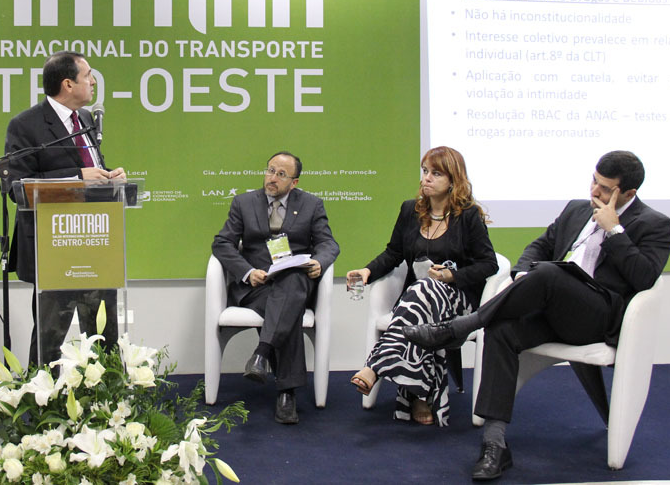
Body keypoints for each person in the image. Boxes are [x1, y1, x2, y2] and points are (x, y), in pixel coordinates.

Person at [403, 150, 670, 480]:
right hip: (551, 310)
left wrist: (615, 231)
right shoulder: (577, 209)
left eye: (605, 188)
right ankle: (494, 445)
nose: (594, 191)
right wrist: (520, 276)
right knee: (502, 329)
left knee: (548, 273)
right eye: (594, 181)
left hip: (597, 319)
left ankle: (462, 326)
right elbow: (539, 246)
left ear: (628, 193)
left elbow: (645, 278)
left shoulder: (655, 224)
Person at [346, 146, 497, 426]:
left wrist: (451, 276)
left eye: (436, 173)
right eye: (425, 171)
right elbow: (393, 253)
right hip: (418, 301)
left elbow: (489, 264)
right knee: (422, 295)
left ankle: (375, 366)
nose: (426, 178)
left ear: (453, 180)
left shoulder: (468, 216)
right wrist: (367, 270)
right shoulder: (410, 210)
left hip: (458, 299)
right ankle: (420, 395)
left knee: (424, 291)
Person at [4, 51, 125, 366]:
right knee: (49, 340)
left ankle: (107, 392)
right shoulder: (26, 125)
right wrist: (77, 177)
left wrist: (108, 177)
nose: (93, 81)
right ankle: (42, 394)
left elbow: (90, 170)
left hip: (96, 243)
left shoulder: (85, 119)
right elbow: (17, 186)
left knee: (104, 335)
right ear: (68, 84)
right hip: (54, 248)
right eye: (88, 76)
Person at [211, 151, 339, 424]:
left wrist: (319, 261)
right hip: (258, 286)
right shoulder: (244, 203)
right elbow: (222, 243)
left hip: (295, 281)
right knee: (286, 308)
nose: (272, 178)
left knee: (291, 282)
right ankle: (286, 394)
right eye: (270, 170)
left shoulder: (311, 204)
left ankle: (262, 353)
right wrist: (248, 273)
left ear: (294, 182)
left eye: (281, 174)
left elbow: (328, 244)